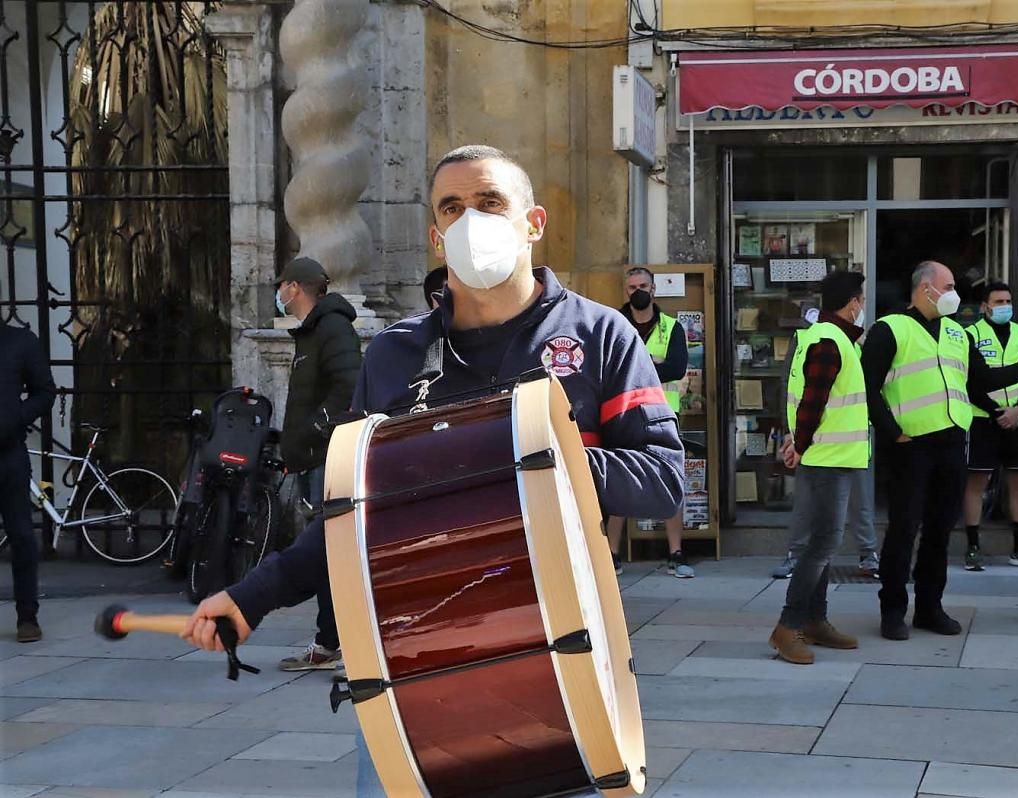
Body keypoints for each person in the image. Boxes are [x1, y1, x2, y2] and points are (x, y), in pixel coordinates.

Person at [180, 145, 684, 796]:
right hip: (412, 672)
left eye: (489, 202)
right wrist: (250, 599)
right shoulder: (395, 356)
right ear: (436, 237)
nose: (470, 220)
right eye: (452, 207)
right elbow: (349, 514)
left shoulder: (602, 335)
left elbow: (663, 477)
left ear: (533, 222)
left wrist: (536, 453)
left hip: (558, 670)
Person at [861, 261, 1018, 641]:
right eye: (949, 285)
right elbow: (868, 390)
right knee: (904, 530)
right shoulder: (891, 329)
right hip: (910, 447)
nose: (955, 292)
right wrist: (893, 434)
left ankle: (930, 608)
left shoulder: (957, 332)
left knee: (939, 531)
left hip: (952, 444)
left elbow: (983, 380)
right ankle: (892, 611)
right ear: (925, 288)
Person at [769, 271, 869, 664]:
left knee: (821, 545)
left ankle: (814, 621)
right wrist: (801, 444)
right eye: (860, 299)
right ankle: (788, 625)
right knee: (822, 545)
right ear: (852, 303)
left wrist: (796, 442)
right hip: (827, 458)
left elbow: (804, 400)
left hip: (826, 455)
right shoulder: (830, 342)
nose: (862, 306)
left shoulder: (822, 337)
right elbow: (813, 401)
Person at [274, 257, 363, 672]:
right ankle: (332, 640)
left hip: (327, 456)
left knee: (333, 554)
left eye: (283, 286)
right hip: (312, 457)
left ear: (295, 287)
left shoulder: (332, 328)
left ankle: (336, 642)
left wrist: (314, 429)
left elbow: (348, 384)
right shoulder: (311, 332)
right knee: (329, 555)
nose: (280, 294)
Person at [605, 266, 694, 578]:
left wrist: (637, 366)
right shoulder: (612, 324)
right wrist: (653, 363)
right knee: (616, 481)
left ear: (654, 289)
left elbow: (677, 367)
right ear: (624, 291)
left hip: (661, 416)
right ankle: (611, 554)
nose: (637, 291)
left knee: (669, 479)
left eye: (643, 285)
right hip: (622, 415)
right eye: (631, 287)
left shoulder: (672, 328)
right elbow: (608, 370)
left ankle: (676, 553)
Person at [961, 282, 1018, 571]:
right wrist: (996, 413)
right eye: (998, 301)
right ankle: (972, 546)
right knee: (976, 484)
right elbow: (969, 382)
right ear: (984, 306)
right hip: (982, 419)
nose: (1004, 305)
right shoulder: (970, 335)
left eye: (1008, 300)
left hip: (1017, 419)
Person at [0, 324, 55, 643]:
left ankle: (27, 617)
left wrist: (15, 417)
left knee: (21, 535)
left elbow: (45, 391)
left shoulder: (19, 341)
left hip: (8, 455)